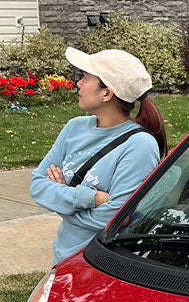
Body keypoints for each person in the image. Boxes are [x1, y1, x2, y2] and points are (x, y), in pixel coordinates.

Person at [31, 47, 167, 265]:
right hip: (62, 258)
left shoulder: (140, 145)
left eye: (85, 77)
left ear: (107, 93)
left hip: (101, 264)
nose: (78, 83)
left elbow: (116, 217)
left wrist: (62, 199)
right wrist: (90, 198)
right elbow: (37, 186)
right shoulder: (74, 128)